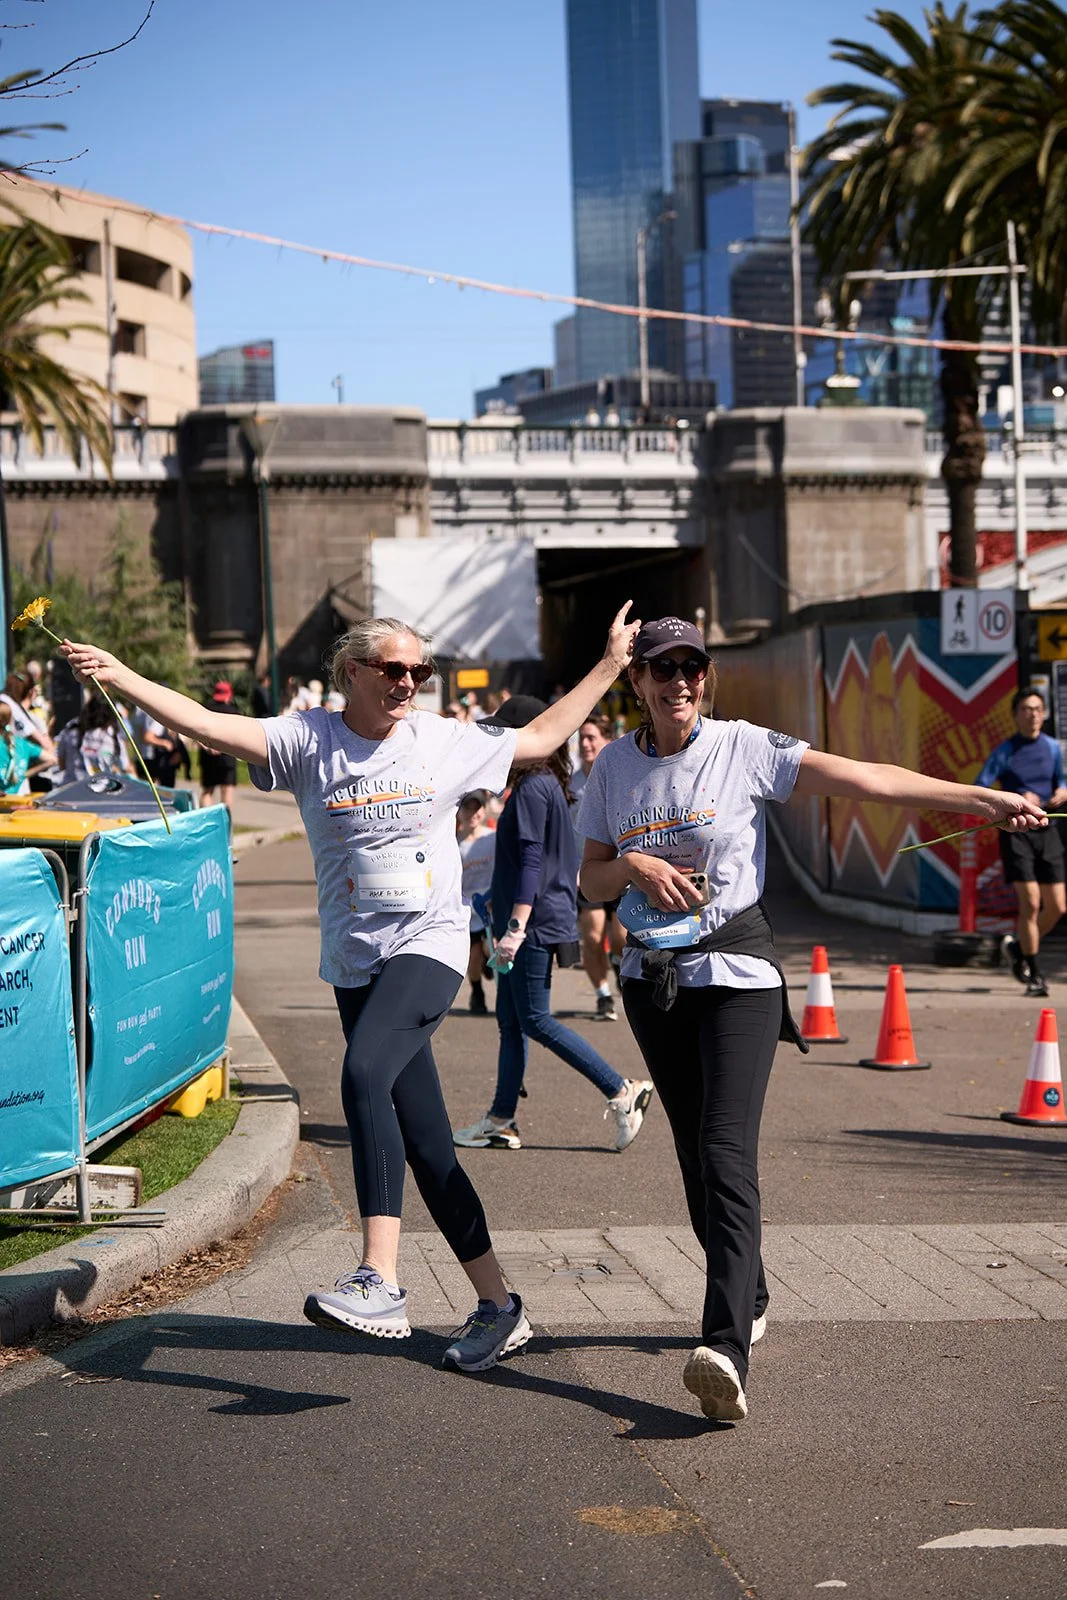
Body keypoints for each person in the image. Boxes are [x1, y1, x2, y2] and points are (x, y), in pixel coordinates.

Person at [60, 603, 640, 1373]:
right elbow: (205, 724)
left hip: (429, 944)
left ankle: (381, 1280)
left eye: (420, 673)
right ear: (353, 673)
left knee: (364, 1071)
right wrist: (119, 674)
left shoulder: (443, 740)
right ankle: (500, 1306)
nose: (409, 684)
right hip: (356, 961)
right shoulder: (308, 741)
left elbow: (538, 738)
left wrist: (608, 663)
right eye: (394, 670)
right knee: (431, 1149)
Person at [577, 615, 1047, 1425]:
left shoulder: (742, 747)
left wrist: (983, 798)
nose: (679, 681)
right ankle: (749, 1288)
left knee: (725, 1149)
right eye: (662, 669)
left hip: (739, 975)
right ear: (638, 682)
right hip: (654, 981)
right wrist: (633, 865)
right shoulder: (613, 769)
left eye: (691, 666)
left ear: (705, 675)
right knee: (693, 1157)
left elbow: (867, 780)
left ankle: (723, 1346)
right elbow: (586, 883)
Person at [452, 695, 653, 1155]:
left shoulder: (529, 790)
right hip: (537, 919)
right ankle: (501, 1119)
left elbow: (530, 861)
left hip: (531, 926)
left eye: (507, 734)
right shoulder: (546, 785)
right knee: (511, 1021)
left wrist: (515, 926)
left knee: (536, 1019)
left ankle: (621, 1090)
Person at [976, 686, 1067, 998]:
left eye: (1038, 709)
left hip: (1048, 829)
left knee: (1056, 907)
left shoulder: (1053, 747)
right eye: (1026, 710)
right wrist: (1015, 799)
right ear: (1015, 715)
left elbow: (1061, 780)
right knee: (1030, 903)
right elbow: (981, 786)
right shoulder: (1005, 751)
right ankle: (1034, 973)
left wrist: (1064, 791)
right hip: (1017, 833)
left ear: (1045, 714)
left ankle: (1016, 946)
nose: (1033, 715)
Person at [572, 715, 625, 1021]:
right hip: (585, 872)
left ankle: (619, 965)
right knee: (592, 938)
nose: (586, 744)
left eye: (592, 738)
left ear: (607, 741)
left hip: (619, 870)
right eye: (582, 739)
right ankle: (603, 996)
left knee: (619, 938)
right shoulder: (572, 782)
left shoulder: (620, 775)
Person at [457, 789, 497, 1014]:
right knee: (472, 959)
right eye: (467, 808)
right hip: (467, 910)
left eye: (477, 808)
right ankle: (477, 991)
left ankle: (490, 969)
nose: (472, 813)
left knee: (493, 948)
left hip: (491, 906)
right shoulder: (454, 843)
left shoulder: (493, 838)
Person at [54, 693, 132, 784]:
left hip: (71, 789)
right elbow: (125, 765)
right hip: (101, 791)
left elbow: (62, 763)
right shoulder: (112, 735)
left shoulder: (71, 728)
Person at [198, 681, 241, 813]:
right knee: (227, 789)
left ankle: (206, 821)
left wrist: (208, 747)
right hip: (227, 756)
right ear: (229, 695)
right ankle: (225, 823)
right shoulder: (233, 712)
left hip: (208, 755)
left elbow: (196, 732)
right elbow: (237, 735)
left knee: (208, 790)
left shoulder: (205, 710)